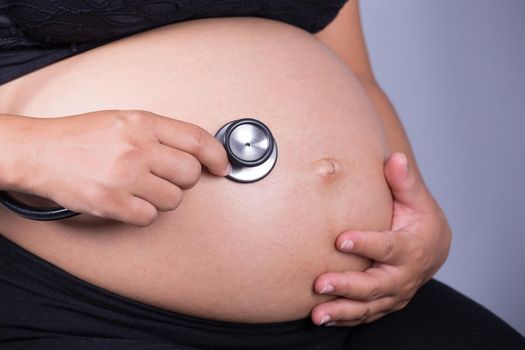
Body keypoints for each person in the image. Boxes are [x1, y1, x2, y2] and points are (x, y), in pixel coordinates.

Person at [0, 1, 523, 349]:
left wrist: (415, 219)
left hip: (359, 308)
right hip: (72, 307)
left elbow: (355, 71)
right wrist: (32, 151)